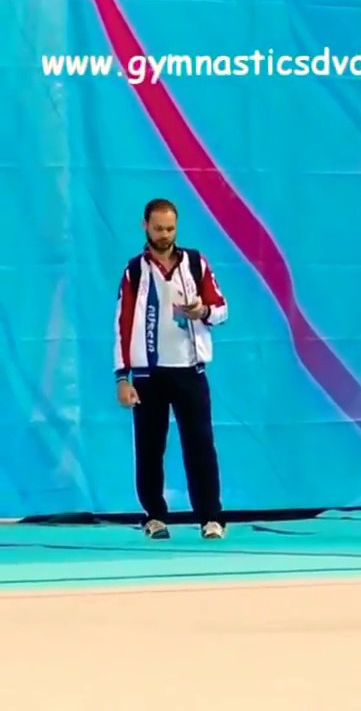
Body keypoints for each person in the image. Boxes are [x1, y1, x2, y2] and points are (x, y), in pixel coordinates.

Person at [113, 198, 229, 540]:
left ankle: (211, 517)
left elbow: (222, 309)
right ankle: (154, 516)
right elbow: (121, 324)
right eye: (158, 228)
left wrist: (202, 310)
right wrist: (123, 377)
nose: (165, 235)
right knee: (149, 447)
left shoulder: (196, 263)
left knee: (201, 445)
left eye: (170, 228)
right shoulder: (135, 271)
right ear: (144, 226)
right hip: (149, 375)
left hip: (190, 371)